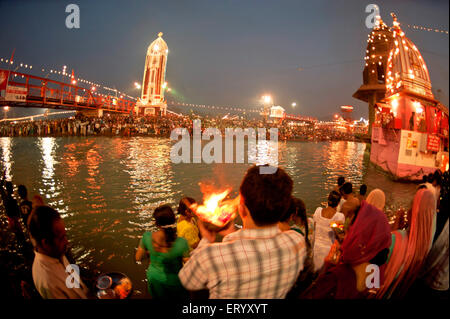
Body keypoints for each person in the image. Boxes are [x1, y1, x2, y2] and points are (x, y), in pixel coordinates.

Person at [178, 165, 306, 299]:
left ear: (242, 209)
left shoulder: (210, 256)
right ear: (286, 209)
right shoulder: (297, 241)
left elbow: (187, 280)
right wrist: (231, 232)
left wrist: (206, 239)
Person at [301, 200, 392, 299]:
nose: (347, 235)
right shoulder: (378, 272)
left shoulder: (337, 278)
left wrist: (327, 268)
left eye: (351, 229)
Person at [376, 189, 436, 299]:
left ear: (414, 212)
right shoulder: (425, 247)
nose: (408, 209)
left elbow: (372, 277)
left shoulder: (396, 240)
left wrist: (394, 232)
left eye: (411, 205)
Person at [29, 205, 89, 299]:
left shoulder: (56, 252)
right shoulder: (48, 282)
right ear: (46, 243)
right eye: (61, 238)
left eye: (65, 236)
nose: (66, 242)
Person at [135, 205, 190, 299]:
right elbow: (189, 265)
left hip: (154, 279)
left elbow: (138, 257)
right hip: (175, 282)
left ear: (156, 223)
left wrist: (150, 252)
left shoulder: (147, 237)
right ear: (173, 221)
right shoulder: (182, 243)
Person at [312, 191, 345, 272]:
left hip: (314, 249)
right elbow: (340, 237)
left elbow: (314, 228)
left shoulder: (318, 210)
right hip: (328, 253)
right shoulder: (339, 217)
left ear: (328, 200)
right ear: (338, 204)